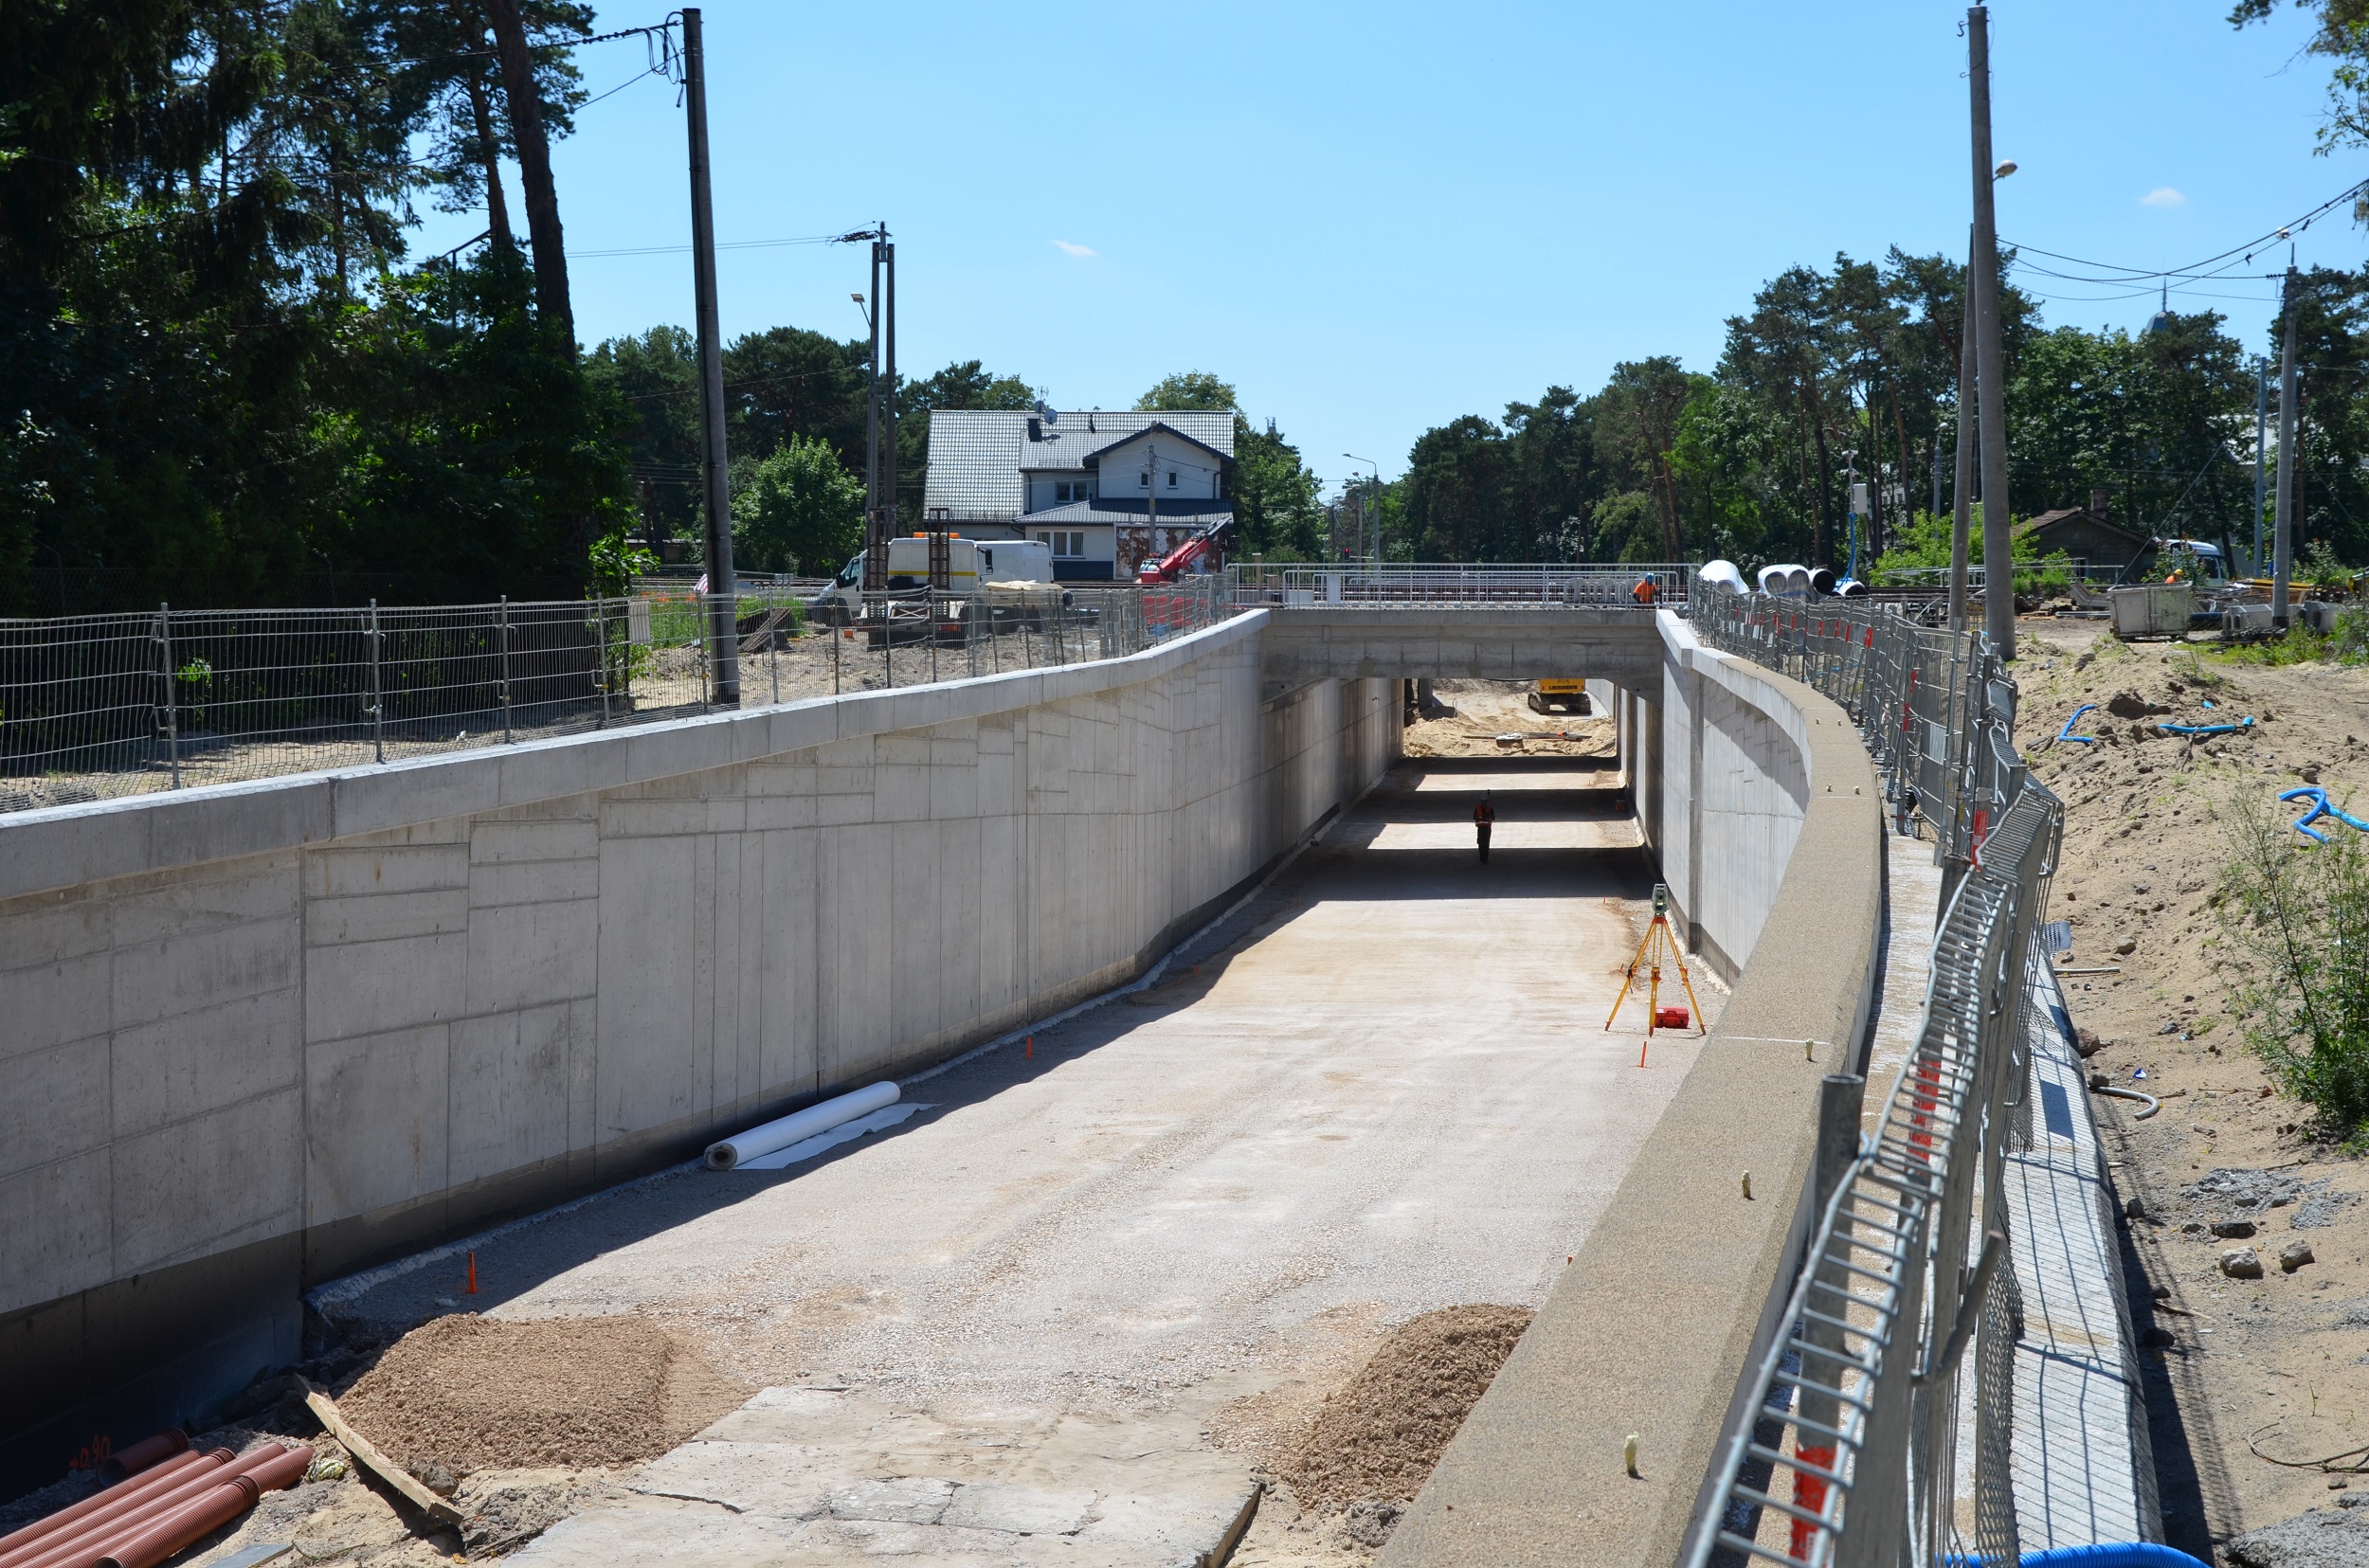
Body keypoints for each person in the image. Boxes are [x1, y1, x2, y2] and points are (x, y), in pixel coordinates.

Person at [1474, 790, 1496, 864]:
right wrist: (1481, 817)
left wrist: (1489, 815)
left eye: (1485, 802)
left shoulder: (1490, 809)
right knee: (1481, 843)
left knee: (1486, 843)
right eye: (1483, 802)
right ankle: (1481, 856)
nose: (1484, 803)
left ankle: (1485, 859)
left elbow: (1493, 818)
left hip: (1487, 828)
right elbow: (1474, 817)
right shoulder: (1478, 808)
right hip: (1480, 828)